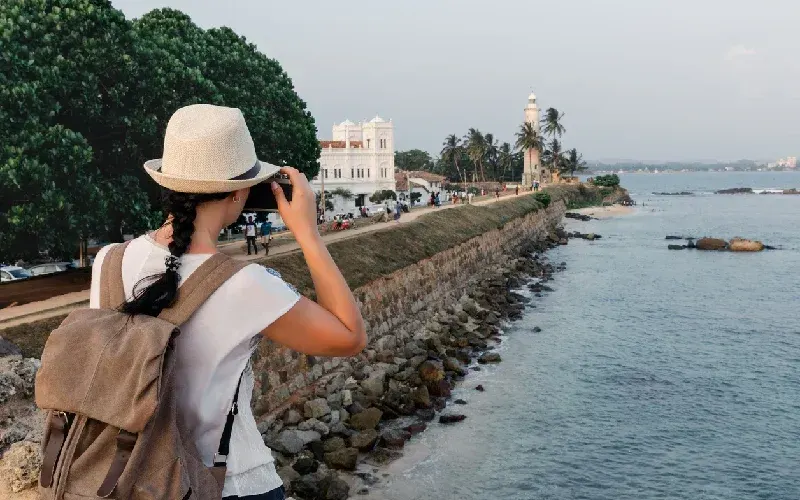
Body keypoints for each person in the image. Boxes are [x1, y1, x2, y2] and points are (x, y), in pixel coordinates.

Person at [90, 104, 366, 499]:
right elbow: (350, 336)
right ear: (240, 192)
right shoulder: (247, 284)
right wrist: (308, 233)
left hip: (126, 477)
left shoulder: (108, 261)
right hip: (225, 482)